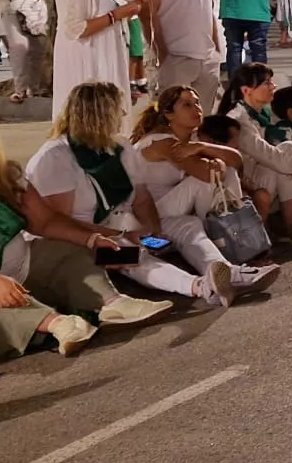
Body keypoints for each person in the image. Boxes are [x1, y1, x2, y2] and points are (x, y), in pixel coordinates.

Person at [0, 107, 169, 357]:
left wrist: (94, 239)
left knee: (69, 249)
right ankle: (55, 325)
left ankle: (112, 304)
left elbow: (44, 222)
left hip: (15, 269)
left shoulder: (5, 176)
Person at [24, 84, 239, 307]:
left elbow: (142, 198)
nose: (124, 114)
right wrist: (122, 234)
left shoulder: (119, 145)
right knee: (129, 254)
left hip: (119, 224)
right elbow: (62, 224)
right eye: (118, 108)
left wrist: (151, 229)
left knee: (186, 225)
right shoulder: (55, 157)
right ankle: (200, 286)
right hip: (77, 238)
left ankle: (229, 273)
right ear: (100, 114)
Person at [220, 63, 292, 245]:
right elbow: (268, 155)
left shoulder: (261, 113)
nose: (272, 86)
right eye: (266, 83)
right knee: (288, 151)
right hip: (247, 182)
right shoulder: (238, 119)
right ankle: (291, 225)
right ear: (246, 90)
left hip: (266, 175)